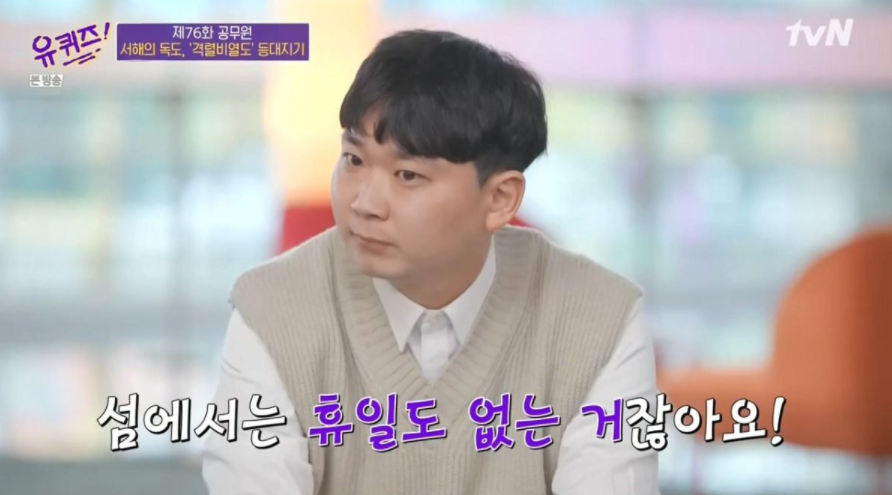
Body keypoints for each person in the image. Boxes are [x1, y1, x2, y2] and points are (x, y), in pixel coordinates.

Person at [203, 29, 660, 495]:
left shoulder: (601, 320)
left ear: (500, 199)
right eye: (354, 160)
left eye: (407, 175)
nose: (364, 203)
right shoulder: (271, 311)